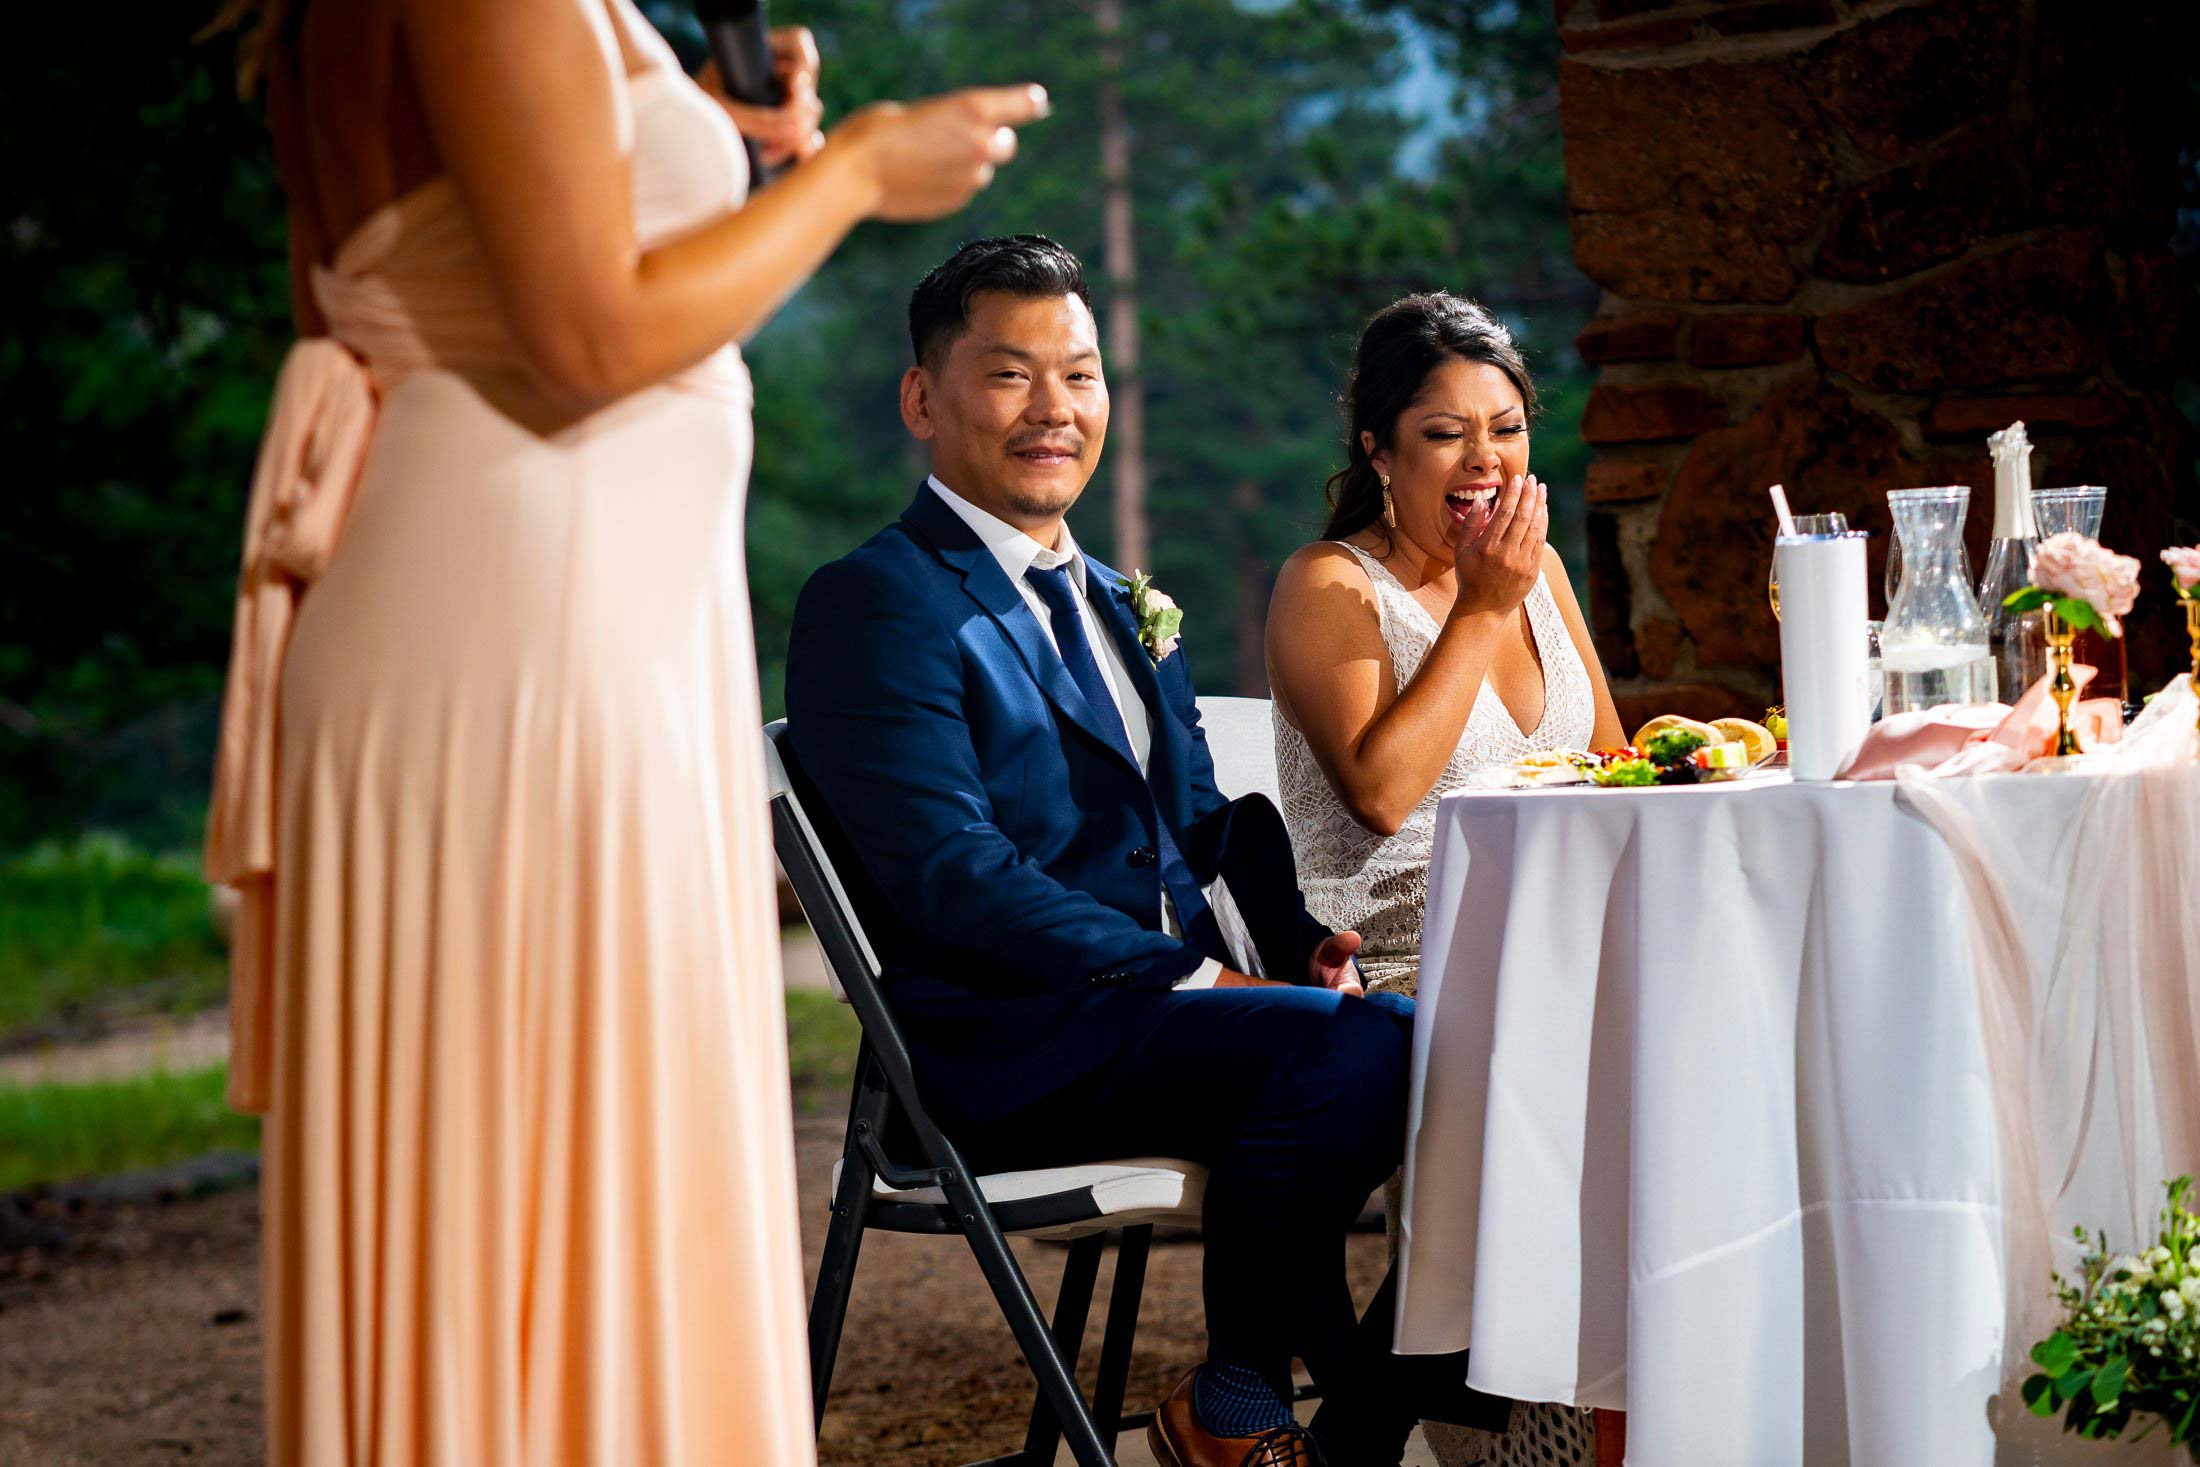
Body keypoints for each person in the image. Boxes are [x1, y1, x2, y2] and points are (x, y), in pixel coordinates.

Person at [199, 0, 1047, 1461]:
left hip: (491, 605)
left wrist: (735, 155)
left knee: (488, 1177)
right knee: (552, 1159)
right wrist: (851, 173)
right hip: (530, 637)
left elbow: (448, 279)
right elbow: (588, 334)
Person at [784, 236, 1479, 1467]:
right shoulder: (877, 600)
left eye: (1081, 375)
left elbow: (1202, 824)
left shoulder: (1119, 598)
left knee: (1451, 1050)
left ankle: (1297, 1425)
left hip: (1161, 1034)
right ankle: (1269, 1413)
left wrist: (1294, 944)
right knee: (1382, 1053)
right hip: (1007, 1045)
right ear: (921, 399)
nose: (1055, 409)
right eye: (1009, 376)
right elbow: (952, 875)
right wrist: (1199, 983)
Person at [1265, 292, 1625, 1467]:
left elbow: (1618, 775)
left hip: (1562, 949)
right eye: (1444, 432)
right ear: (1375, 449)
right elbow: (1378, 788)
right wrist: (1479, 608)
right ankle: (1413, 1433)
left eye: (1508, 428)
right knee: (1583, 1069)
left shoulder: (1542, 576)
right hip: (1407, 964)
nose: (1486, 459)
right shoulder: (1330, 587)